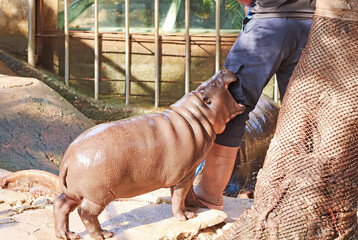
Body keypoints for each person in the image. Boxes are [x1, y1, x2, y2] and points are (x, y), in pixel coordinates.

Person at [193, 0, 316, 210]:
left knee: (231, 108)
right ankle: (305, 199)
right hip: (316, 28)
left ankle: (208, 196)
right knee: (306, 119)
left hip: (268, 23)